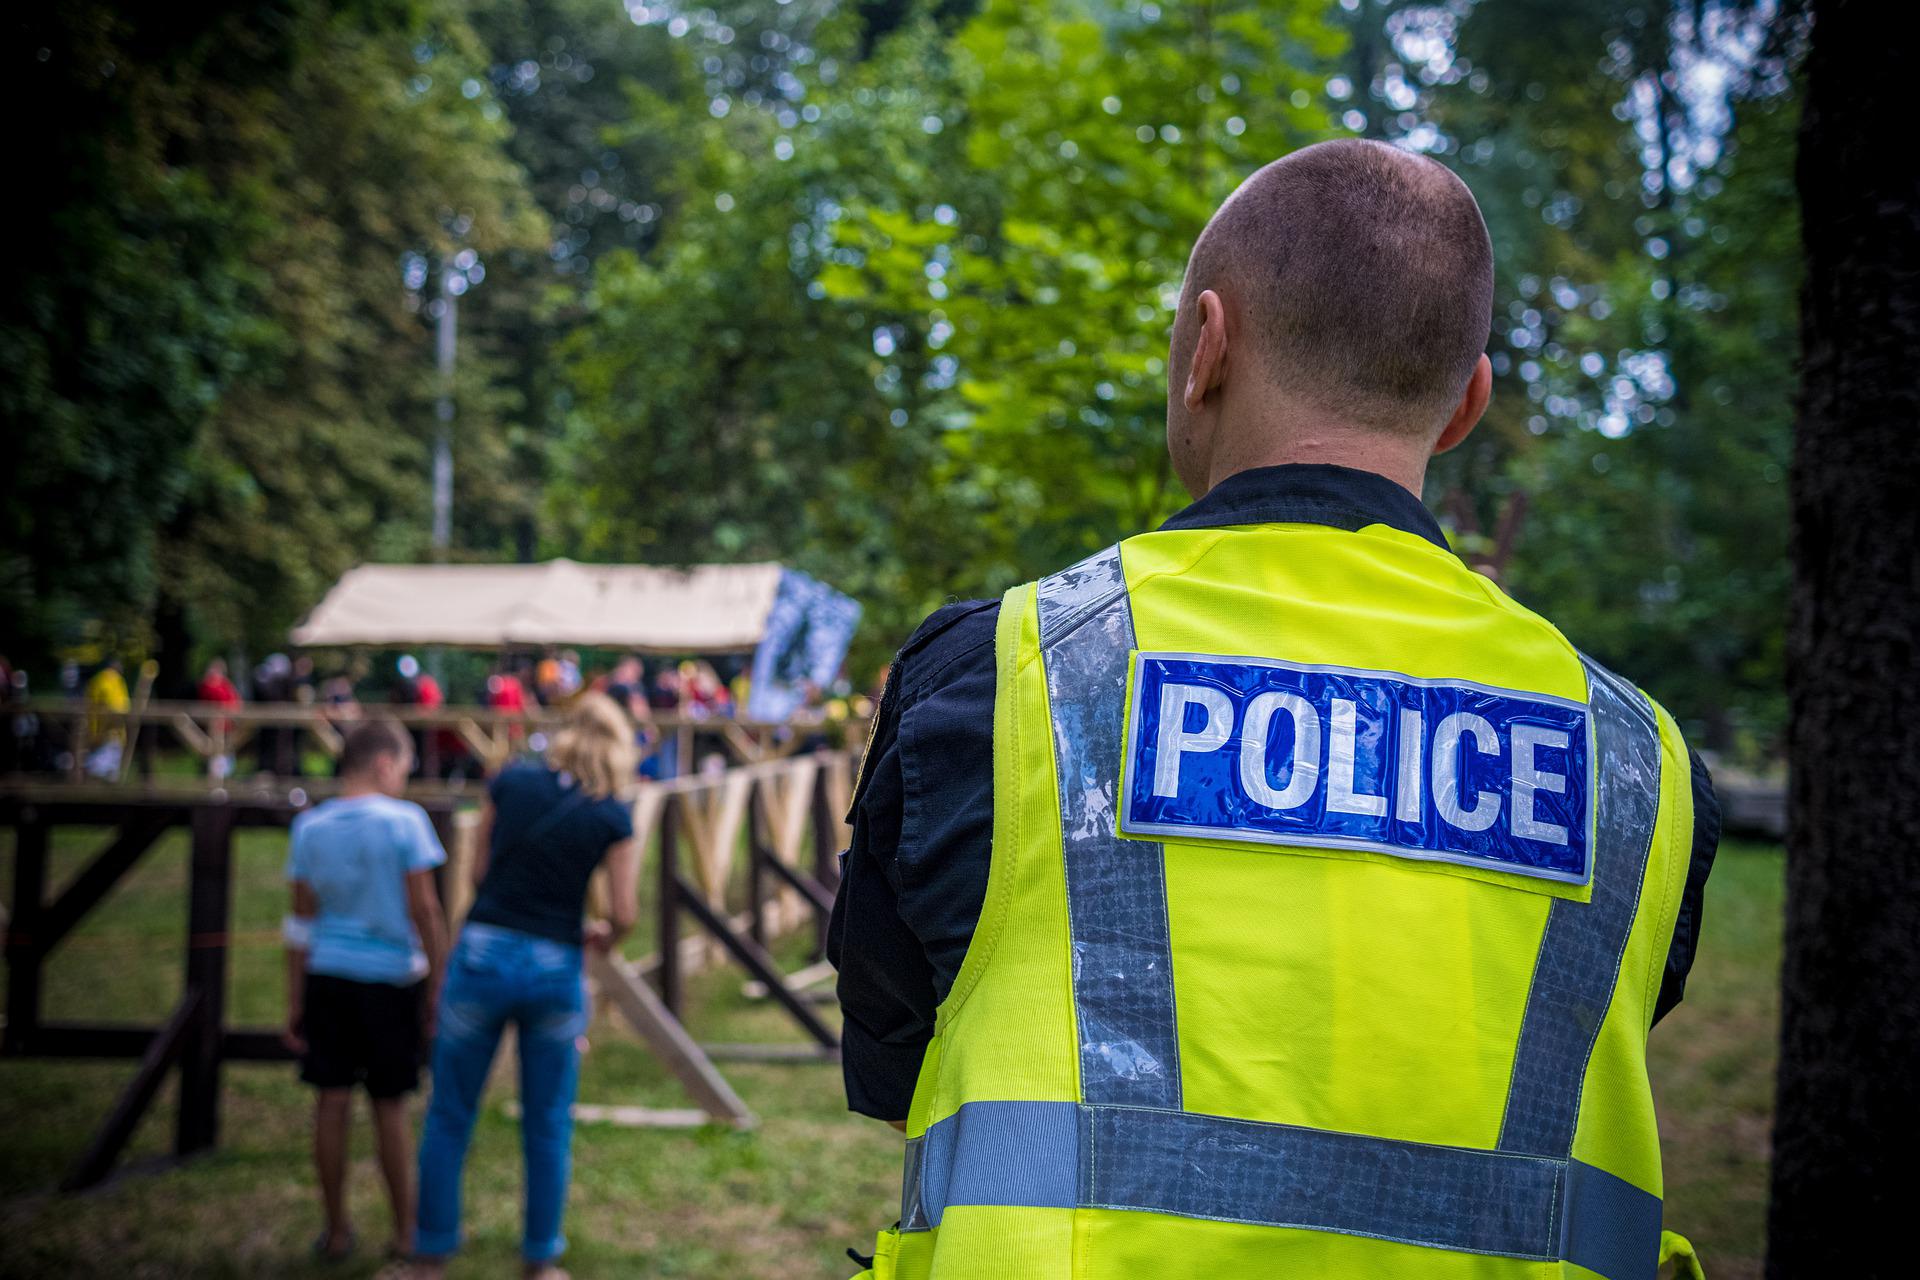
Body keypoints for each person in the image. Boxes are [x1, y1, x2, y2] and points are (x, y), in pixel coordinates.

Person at [830, 139, 1722, 1280]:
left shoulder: (1000, 673)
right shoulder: (1636, 758)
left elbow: (896, 1058)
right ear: (1467, 405)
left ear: (1207, 347)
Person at [411, 693, 641, 1279]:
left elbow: (479, 872)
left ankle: (431, 1253)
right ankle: (541, 1261)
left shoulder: (509, 782)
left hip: (485, 950)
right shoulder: (612, 813)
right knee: (546, 1121)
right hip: (555, 962)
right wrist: (604, 939)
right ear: (618, 747)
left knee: (449, 1113)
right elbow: (624, 911)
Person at [282, 719, 449, 1263]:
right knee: (390, 1107)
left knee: (330, 1102)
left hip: (328, 977)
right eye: (403, 768)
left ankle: (335, 1230)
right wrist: (440, 980)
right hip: (391, 980)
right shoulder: (406, 822)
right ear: (384, 764)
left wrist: (294, 999)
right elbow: (424, 908)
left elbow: (300, 922)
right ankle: (404, 1232)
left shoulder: (310, 827)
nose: (404, 778)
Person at [83, 657, 130, 778]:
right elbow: (118, 706)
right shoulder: (114, 680)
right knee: (105, 765)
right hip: (111, 729)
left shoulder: (96, 680)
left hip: (95, 726)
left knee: (99, 759)